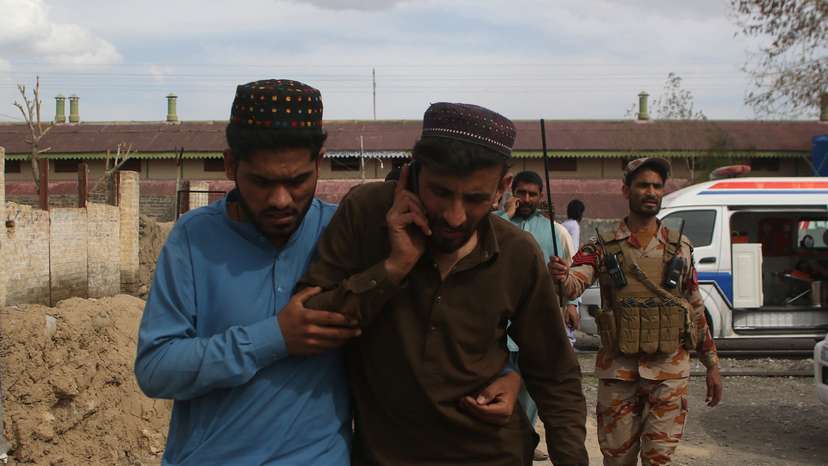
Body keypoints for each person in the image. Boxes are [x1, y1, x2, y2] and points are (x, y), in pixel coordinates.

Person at [134, 80, 523, 466]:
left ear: (319, 162)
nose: (280, 200)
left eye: (297, 181)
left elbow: (422, 334)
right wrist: (274, 337)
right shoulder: (193, 238)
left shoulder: (349, 234)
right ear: (231, 164)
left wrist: (505, 373)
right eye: (262, 182)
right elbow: (156, 370)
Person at [299, 102, 588, 466]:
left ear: (502, 188)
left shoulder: (518, 253)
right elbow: (310, 321)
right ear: (414, 173)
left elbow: (555, 373)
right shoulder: (366, 214)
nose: (455, 215)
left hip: (494, 453)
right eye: (441, 192)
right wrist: (393, 267)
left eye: (475, 199)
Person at [549, 157, 723, 466]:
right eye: (643, 185)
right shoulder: (600, 247)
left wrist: (712, 364)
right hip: (620, 373)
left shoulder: (679, 247)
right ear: (626, 191)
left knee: (658, 460)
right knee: (618, 460)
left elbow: (695, 308)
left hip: (669, 372)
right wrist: (563, 276)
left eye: (657, 186)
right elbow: (575, 284)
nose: (651, 192)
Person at [496, 170, 580, 461]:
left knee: (531, 397)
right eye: (521, 193)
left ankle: (526, 442)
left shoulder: (557, 233)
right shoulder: (495, 224)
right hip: (498, 332)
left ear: (541, 196)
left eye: (532, 194)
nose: (526, 199)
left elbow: (569, 275)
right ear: (512, 192)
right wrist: (505, 216)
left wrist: (571, 302)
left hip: (536, 330)